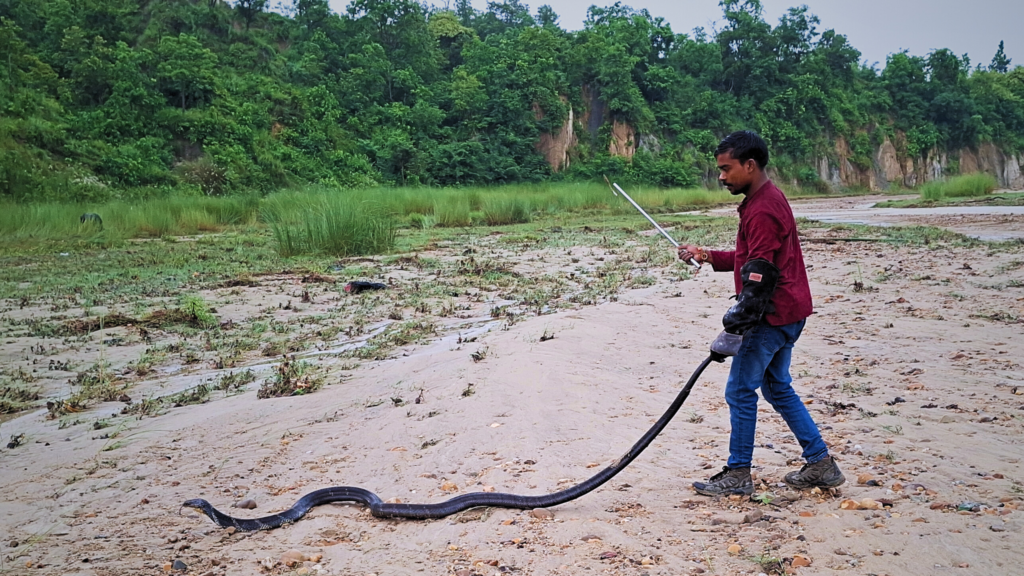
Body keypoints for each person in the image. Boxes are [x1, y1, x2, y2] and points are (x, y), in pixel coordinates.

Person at [678, 130, 845, 496]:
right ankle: (820, 463)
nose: (721, 177)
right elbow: (750, 259)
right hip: (790, 312)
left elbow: (759, 277)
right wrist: (705, 255)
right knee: (777, 387)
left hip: (770, 316)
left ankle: (738, 473)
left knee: (739, 390)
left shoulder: (763, 209)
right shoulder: (763, 200)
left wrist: (734, 328)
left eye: (726, 169)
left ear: (749, 165)